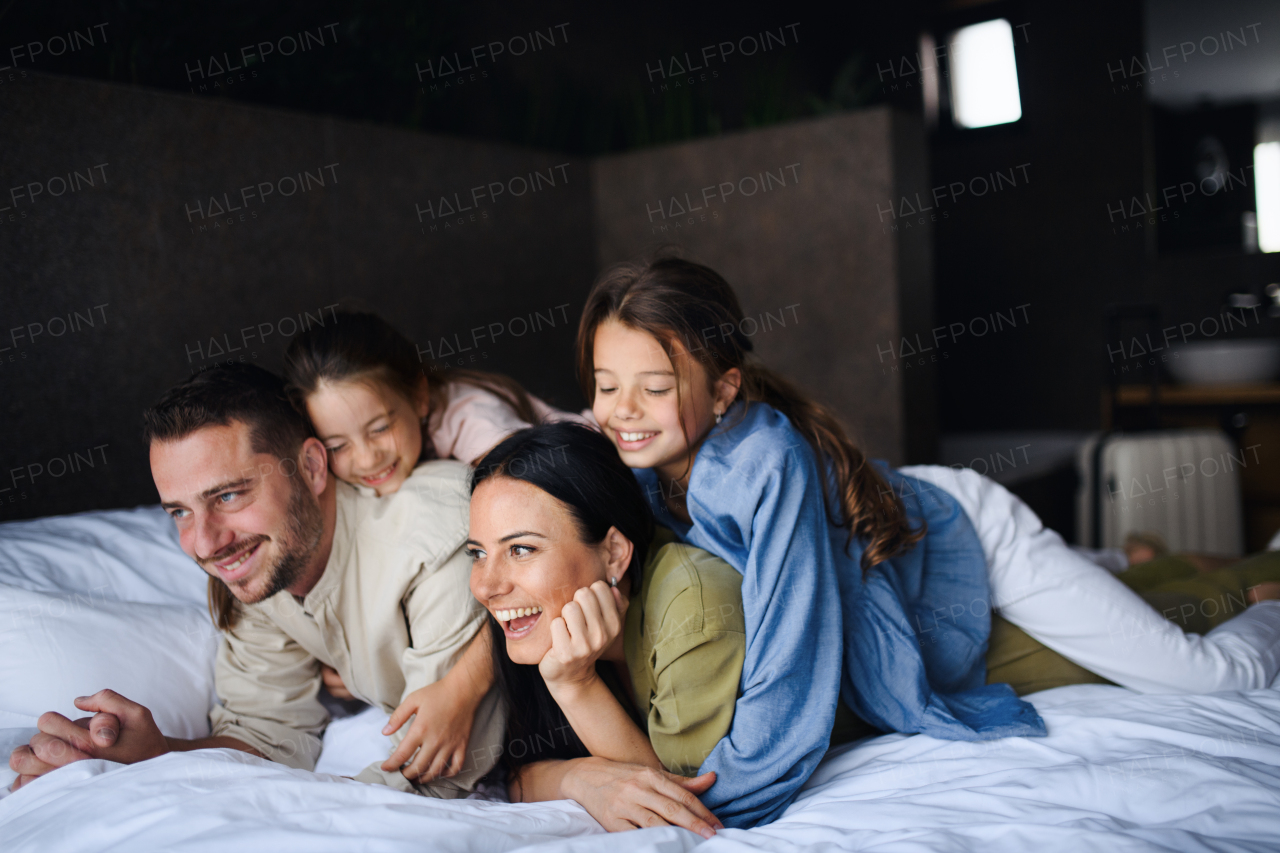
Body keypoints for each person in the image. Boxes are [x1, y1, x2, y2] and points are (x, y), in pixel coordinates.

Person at [576, 255, 1280, 828]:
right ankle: (1146, 560)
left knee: (1204, 674)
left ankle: (1267, 602)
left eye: (655, 386)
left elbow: (790, 642)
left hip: (963, 533)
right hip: (895, 532)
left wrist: (728, 787)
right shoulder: (634, 462)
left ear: (724, 390)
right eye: (607, 385)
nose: (622, 410)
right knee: (1116, 599)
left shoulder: (761, 464)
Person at [8, 364, 503, 795]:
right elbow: (269, 735)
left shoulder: (434, 543)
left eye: (227, 497)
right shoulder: (261, 570)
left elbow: (440, 774)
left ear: (311, 467)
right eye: (180, 512)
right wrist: (153, 757)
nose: (205, 544)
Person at [282, 310, 591, 703]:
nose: (366, 458)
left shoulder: (477, 429)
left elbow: (553, 527)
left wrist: (462, 686)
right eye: (337, 446)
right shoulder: (346, 482)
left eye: (379, 428)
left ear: (420, 397)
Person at [466, 422, 746, 838]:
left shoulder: (694, 609)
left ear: (614, 552)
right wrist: (576, 777)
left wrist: (575, 685)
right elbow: (516, 771)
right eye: (478, 553)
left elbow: (683, 804)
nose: (486, 587)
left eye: (521, 549)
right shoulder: (543, 623)